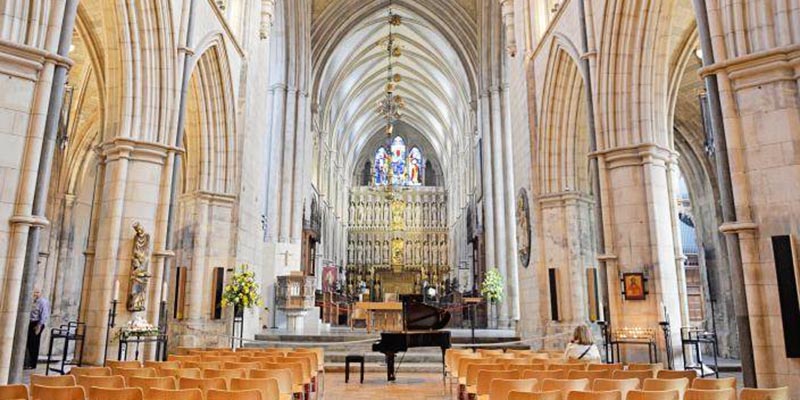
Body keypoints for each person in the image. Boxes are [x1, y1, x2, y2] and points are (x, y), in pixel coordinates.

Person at [24, 288, 50, 370]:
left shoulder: (43, 302)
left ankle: (32, 364)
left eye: (37, 292)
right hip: (31, 323)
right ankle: (28, 362)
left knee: (34, 343)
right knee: (29, 343)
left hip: (37, 323)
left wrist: (39, 326)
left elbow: (44, 315)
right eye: (34, 292)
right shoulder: (34, 301)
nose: (35, 294)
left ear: (40, 293)